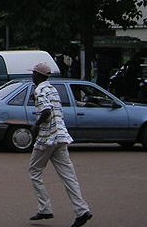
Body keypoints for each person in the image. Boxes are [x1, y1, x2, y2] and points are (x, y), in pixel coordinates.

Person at [28, 62, 92, 227]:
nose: (32, 76)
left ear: (39, 75)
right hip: (61, 136)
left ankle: (45, 208)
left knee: (34, 171)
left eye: (33, 74)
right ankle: (82, 210)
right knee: (69, 176)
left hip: (46, 138)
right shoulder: (52, 89)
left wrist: (36, 126)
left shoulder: (39, 90)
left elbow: (46, 111)